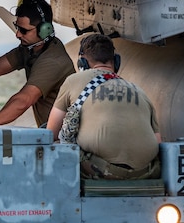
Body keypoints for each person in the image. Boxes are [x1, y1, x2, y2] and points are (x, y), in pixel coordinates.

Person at [47, 33, 162, 180]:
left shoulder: (73, 81)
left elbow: (51, 133)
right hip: (144, 172)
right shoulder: (139, 91)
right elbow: (158, 142)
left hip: (101, 171)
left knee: (57, 143)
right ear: (116, 62)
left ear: (82, 63)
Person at [0, 0, 74, 127]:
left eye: (24, 31)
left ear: (44, 31)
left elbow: (23, 100)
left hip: (64, 138)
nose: (18, 34)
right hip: (52, 132)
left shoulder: (53, 61)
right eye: (17, 28)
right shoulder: (31, 48)